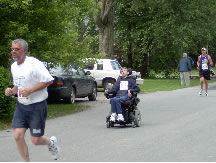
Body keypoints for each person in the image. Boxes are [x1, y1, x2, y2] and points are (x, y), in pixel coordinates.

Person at [5, 39, 60, 161]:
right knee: (17, 136)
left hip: (37, 106)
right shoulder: (14, 66)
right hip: (21, 106)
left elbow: (49, 80)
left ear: (25, 50)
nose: (13, 52)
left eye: (17, 49)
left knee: (36, 140)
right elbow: (17, 86)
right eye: (12, 49)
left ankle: (51, 143)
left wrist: (30, 90)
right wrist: (11, 90)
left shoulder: (34, 64)